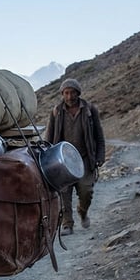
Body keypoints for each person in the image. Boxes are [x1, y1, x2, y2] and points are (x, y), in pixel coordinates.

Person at [45, 78, 106, 235]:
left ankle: (83, 211)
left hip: (85, 159)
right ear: (62, 94)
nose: (69, 96)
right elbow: (49, 137)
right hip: (63, 160)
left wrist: (100, 155)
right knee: (64, 193)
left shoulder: (89, 110)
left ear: (78, 93)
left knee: (86, 191)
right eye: (66, 93)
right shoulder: (56, 111)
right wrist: (46, 159)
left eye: (72, 93)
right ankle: (67, 224)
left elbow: (99, 136)